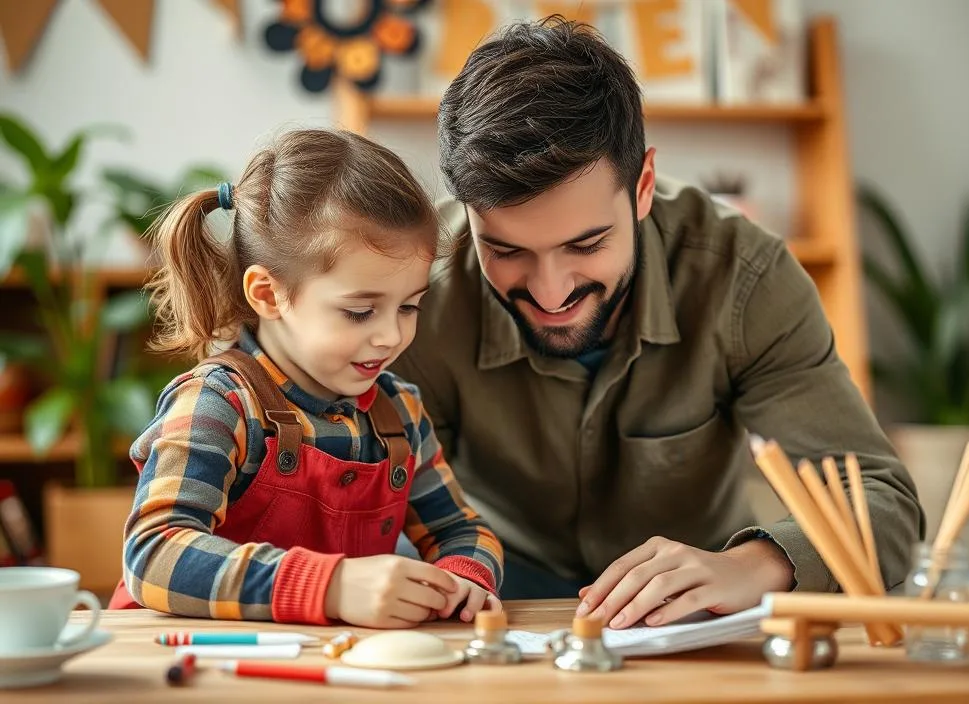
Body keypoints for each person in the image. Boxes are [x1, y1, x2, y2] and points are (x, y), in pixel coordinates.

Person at [390, 17, 924, 629]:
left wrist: (755, 565)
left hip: (697, 614)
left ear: (642, 187)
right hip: (492, 603)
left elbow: (882, 501)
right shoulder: (415, 294)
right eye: (507, 251)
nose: (550, 290)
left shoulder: (743, 281)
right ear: (467, 210)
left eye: (586, 244)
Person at [109, 129, 503, 628]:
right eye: (360, 312)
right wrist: (329, 587)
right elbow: (153, 555)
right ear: (269, 295)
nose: (391, 336)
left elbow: (462, 530)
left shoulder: (400, 412)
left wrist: (465, 576)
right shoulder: (218, 403)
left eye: (409, 306)